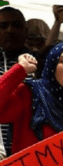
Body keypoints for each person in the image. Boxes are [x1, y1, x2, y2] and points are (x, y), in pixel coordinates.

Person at [0, 6, 35, 157]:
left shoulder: (41, 63)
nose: (10, 30)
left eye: (16, 25)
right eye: (3, 26)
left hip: (29, 157)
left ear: (26, 32)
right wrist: (19, 70)